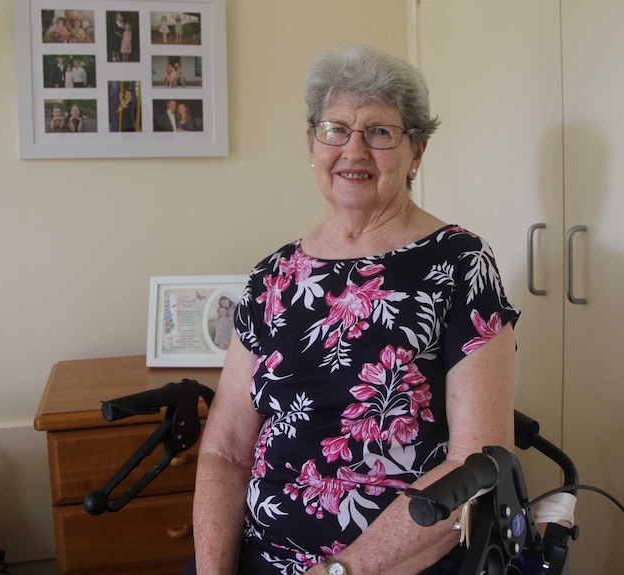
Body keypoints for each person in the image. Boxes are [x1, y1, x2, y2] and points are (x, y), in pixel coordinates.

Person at [187, 44, 520, 575]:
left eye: (381, 132)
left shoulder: (460, 264)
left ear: (418, 152)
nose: (353, 150)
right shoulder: (271, 278)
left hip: (395, 563)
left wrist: (342, 571)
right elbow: (224, 450)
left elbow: (475, 463)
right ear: (312, 145)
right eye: (335, 129)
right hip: (260, 556)